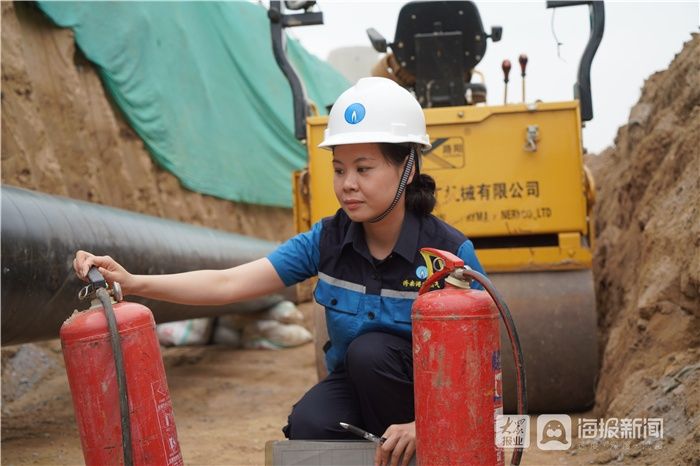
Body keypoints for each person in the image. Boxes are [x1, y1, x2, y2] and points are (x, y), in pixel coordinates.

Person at [73, 77, 485, 466]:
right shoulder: (327, 240)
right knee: (308, 426)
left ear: (407, 169)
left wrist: (425, 423)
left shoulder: (448, 253)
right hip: (359, 385)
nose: (347, 184)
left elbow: (484, 361)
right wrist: (132, 282)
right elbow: (228, 283)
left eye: (364, 168)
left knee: (371, 351)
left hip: (435, 402)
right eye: (339, 169)